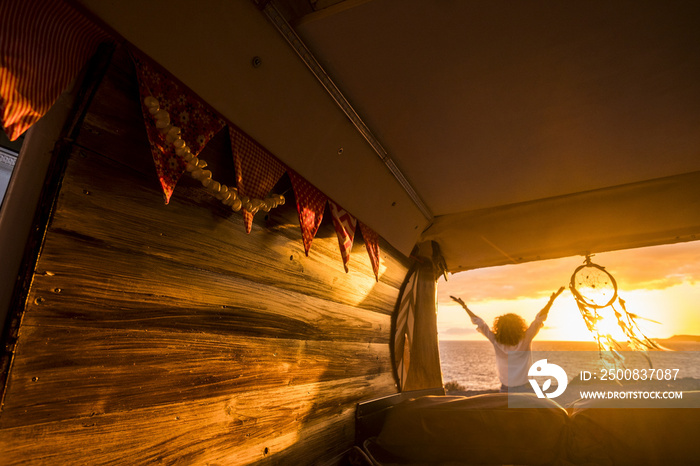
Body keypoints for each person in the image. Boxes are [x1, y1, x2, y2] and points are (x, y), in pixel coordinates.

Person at [450, 287, 565, 393]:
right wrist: (551, 301)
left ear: (500, 327)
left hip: (506, 389)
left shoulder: (496, 341)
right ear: (519, 326)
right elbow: (539, 319)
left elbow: (480, 323)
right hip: (526, 387)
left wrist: (464, 307)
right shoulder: (526, 338)